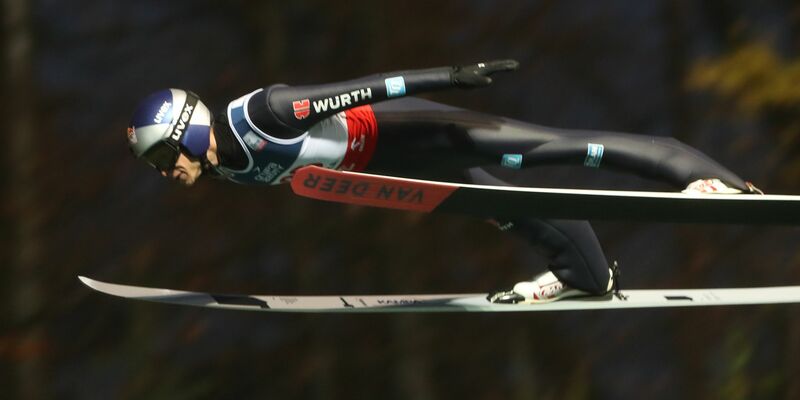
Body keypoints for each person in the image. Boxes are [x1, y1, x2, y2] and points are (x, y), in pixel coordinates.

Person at [126, 60, 761, 304]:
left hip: (411, 128)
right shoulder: (228, 167)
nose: (167, 173)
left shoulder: (259, 114)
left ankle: (708, 180)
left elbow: (365, 90)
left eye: (163, 158)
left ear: (185, 130)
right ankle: (587, 276)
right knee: (501, 207)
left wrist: (449, 78)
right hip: (391, 162)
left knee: (548, 151)